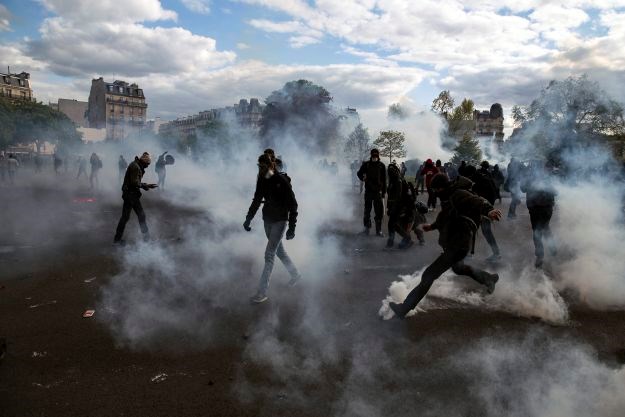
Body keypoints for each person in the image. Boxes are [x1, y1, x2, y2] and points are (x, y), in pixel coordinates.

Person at [389, 173, 502, 319]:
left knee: (428, 275)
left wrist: (489, 210)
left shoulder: (458, 194)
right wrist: (433, 226)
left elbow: (477, 201)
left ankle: (404, 308)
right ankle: (488, 279)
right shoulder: (449, 198)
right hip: (458, 243)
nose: (434, 193)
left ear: (441, 187)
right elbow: (446, 216)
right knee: (459, 268)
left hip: (459, 243)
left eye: (435, 190)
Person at [243, 153, 301, 303]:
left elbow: (293, 205)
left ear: (271, 165)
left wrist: (292, 228)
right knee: (279, 251)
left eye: (263, 166)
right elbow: (256, 200)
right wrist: (248, 219)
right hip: (267, 219)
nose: (260, 169)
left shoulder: (281, 180)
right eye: (259, 166)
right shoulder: (263, 180)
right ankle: (295, 275)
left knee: (269, 255)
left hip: (280, 221)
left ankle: (262, 292)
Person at [113, 152, 157, 245]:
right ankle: (146, 239)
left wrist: (145, 185)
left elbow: (135, 181)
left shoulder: (136, 165)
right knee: (139, 215)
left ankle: (117, 240)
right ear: (143, 162)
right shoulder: (135, 167)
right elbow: (134, 182)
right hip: (131, 194)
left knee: (126, 217)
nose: (148, 166)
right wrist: (145, 185)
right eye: (147, 164)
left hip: (130, 194)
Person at [521, 161, 557, 268]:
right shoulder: (549, 178)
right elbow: (556, 192)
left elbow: (522, 189)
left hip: (538, 208)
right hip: (543, 208)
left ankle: (540, 256)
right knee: (544, 227)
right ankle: (552, 247)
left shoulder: (531, 178)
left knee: (537, 231)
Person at [470, 161, 502, 262]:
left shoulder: (476, 177)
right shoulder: (488, 177)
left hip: (478, 208)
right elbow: (494, 193)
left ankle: (468, 254)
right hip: (486, 208)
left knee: (471, 229)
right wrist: (489, 207)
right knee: (486, 231)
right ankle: (496, 253)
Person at [357, 149, 386, 236]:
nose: (375, 157)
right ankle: (366, 230)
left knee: (379, 212)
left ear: (378, 156)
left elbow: (384, 180)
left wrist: (384, 192)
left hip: (378, 192)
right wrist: (363, 179)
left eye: (376, 156)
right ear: (371, 155)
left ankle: (378, 231)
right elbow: (359, 173)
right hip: (369, 191)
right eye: (373, 156)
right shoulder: (366, 164)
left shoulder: (382, 166)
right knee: (367, 211)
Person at [385, 163, 414, 249]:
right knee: (395, 226)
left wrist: (393, 207)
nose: (390, 172)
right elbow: (390, 195)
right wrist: (389, 207)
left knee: (391, 224)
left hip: (399, 206)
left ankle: (390, 243)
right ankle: (407, 238)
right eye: (389, 171)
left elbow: (398, 197)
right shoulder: (392, 180)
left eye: (392, 170)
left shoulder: (398, 181)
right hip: (394, 206)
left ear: (396, 171)